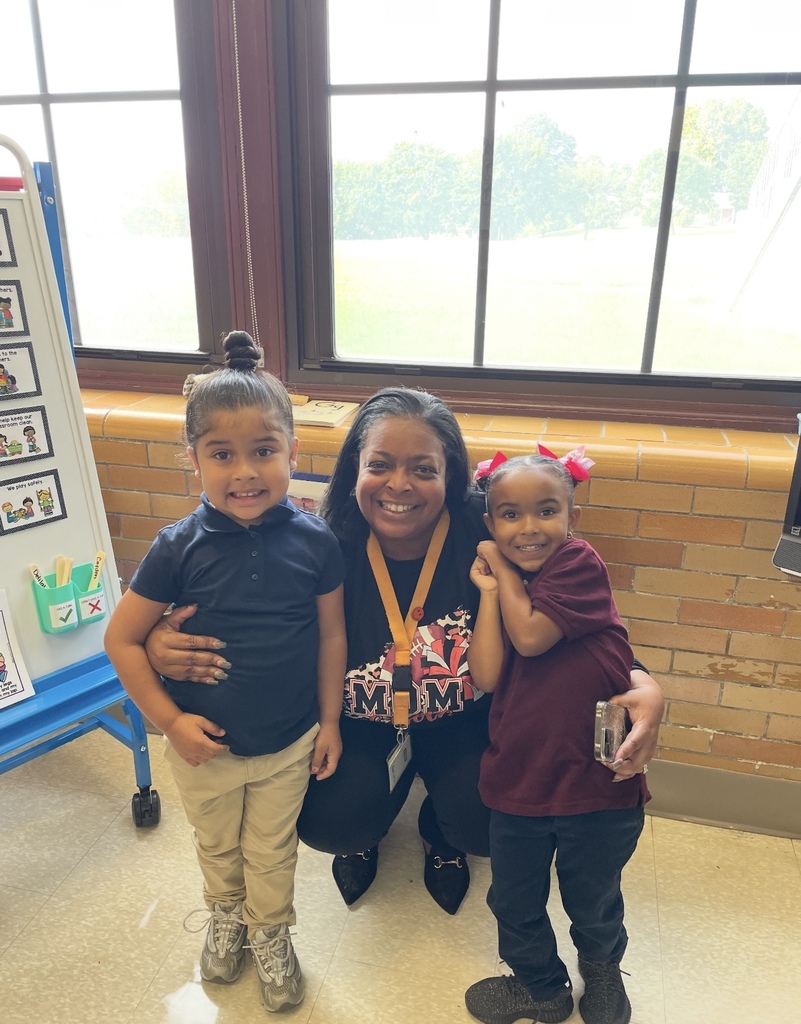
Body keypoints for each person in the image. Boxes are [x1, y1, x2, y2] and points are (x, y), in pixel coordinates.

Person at [144, 388, 663, 919]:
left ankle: (440, 833)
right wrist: (159, 640)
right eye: (380, 465)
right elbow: (246, 612)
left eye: (423, 469)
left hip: (467, 719)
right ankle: (368, 830)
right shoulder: (319, 544)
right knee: (333, 823)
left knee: (491, 824)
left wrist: (641, 681)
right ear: (354, 471)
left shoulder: (490, 535)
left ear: (450, 475)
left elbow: (578, 612)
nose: (399, 485)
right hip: (360, 724)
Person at [104, 331, 346, 1014]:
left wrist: (328, 721)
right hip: (202, 744)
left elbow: (331, 634)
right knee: (217, 847)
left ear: (293, 452)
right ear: (193, 462)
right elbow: (121, 641)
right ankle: (227, 917)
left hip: (289, 741)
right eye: (222, 454)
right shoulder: (174, 549)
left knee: (271, 851)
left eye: (264, 451)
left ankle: (271, 933)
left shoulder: (316, 540)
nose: (245, 472)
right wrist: (170, 722)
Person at [464, 450, 648, 1024]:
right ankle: (541, 987)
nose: (529, 528)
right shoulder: (506, 587)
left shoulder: (577, 563)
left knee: (592, 900)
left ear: (572, 516)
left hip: (596, 784)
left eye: (546, 510)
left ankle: (600, 973)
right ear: (490, 519)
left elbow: (533, 639)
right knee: (512, 900)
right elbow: (488, 674)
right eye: (508, 516)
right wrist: (491, 593)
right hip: (521, 778)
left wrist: (496, 562)